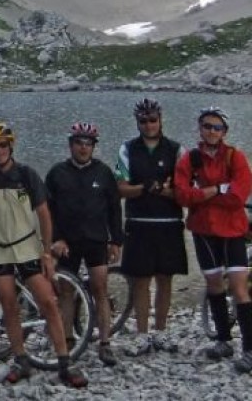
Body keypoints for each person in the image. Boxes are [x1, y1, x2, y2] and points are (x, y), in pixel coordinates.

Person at [0, 121, 87, 388]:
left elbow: (44, 214)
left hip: (27, 249)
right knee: (9, 305)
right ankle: (21, 360)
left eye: (2, 145)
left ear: (11, 145)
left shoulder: (26, 174)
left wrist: (46, 252)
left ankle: (65, 362)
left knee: (48, 302)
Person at [173, 107, 252, 371]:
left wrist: (203, 193)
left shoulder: (235, 157)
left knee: (240, 289)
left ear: (224, 132)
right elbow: (182, 196)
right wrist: (219, 188)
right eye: (207, 126)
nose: (211, 131)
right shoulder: (190, 159)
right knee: (215, 284)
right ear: (200, 128)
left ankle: (249, 350)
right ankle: (224, 340)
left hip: (233, 230)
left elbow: (238, 198)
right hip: (204, 231)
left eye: (216, 127)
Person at [45, 122, 124, 366]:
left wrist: (116, 240)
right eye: (79, 142)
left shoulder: (104, 173)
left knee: (100, 289)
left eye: (88, 143)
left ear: (93, 147)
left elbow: (114, 209)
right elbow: (47, 210)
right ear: (71, 145)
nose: (83, 147)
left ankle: (105, 342)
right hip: (66, 241)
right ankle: (67, 342)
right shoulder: (57, 173)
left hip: (96, 239)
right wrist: (54, 239)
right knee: (66, 292)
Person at [114, 98, 187, 355]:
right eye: (143, 121)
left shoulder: (177, 150)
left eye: (152, 120)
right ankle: (142, 334)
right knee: (140, 281)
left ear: (160, 119)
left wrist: (165, 191)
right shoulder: (126, 149)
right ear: (137, 122)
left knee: (165, 278)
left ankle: (161, 331)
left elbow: (184, 192)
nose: (148, 125)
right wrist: (146, 188)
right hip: (139, 223)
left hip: (169, 223)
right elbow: (120, 189)